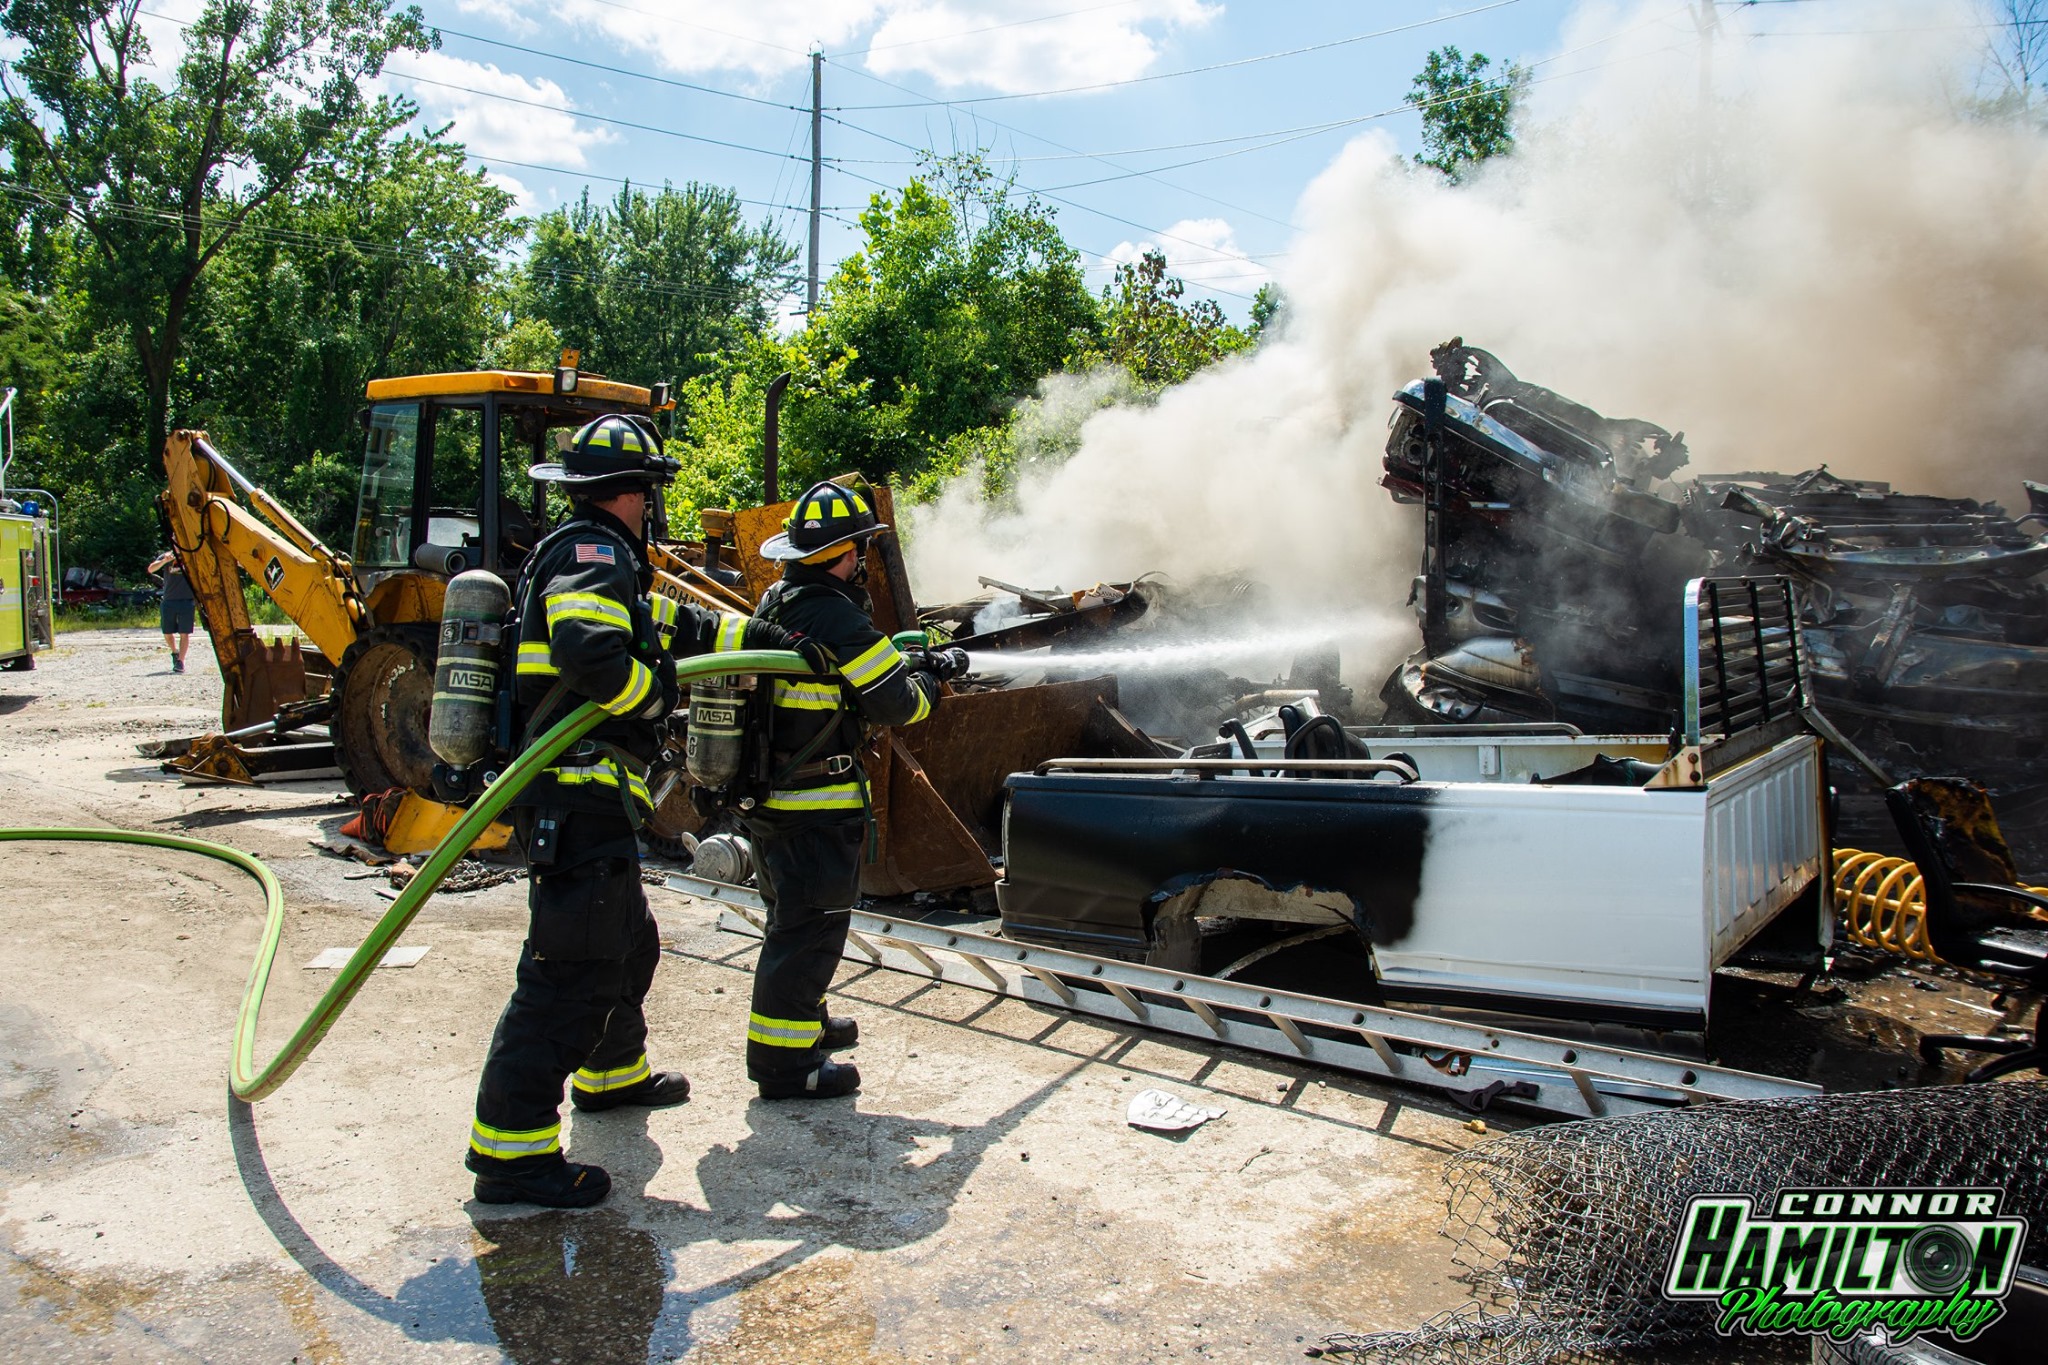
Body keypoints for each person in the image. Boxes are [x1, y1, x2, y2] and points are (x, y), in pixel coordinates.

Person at [465, 414, 827, 1209]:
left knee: (627, 942)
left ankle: (611, 1075)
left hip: (586, 793)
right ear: (631, 493)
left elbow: (682, 625)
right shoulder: (593, 554)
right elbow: (590, 651)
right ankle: (512, 1149)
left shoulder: (601, 559)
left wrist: (773, 637)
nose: (653, 504)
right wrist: (658, 693)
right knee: (570, 970)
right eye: (650, 491)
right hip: (577, 786)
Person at [742, 480, 964, 1100]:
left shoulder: (781, 599)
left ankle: (802, 1025)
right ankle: (786, 1067)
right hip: (813, 804)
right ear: (847, 552)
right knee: (808, 931)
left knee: (791, 922)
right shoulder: (835, 612)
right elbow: (896, 704)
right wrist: (930, 682)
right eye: (861, 547)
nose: (863, 557)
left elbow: (843, 675)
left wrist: (896, 661)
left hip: (772, 802)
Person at [146, 549, 195, 673]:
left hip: (187, 599)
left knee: (185, 632)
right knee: (167, 632)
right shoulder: (167, 555)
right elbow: (151, 569)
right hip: (169, 599)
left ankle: (181, 661)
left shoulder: (191, 554)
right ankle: (174, 652)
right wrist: (164, 561)